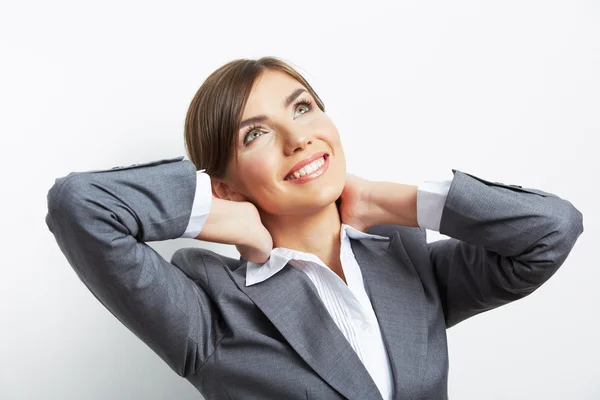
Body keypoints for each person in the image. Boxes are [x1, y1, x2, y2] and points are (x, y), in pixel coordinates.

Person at [45, 57, 584, 400]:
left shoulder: (409, 264)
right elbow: (78, 206)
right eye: (254, 134)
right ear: (226, 182)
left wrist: (393, 200)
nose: (297, 138)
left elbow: (552, 230)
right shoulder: (208, 311)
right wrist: (216, 212)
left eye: (302, 108)